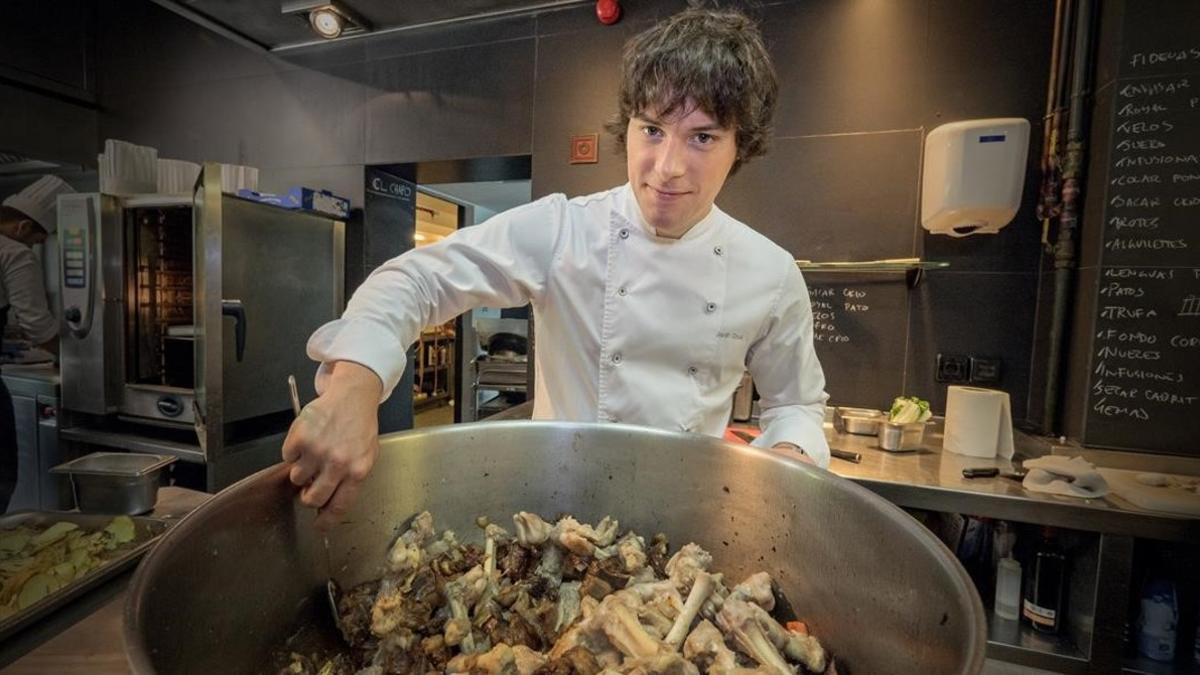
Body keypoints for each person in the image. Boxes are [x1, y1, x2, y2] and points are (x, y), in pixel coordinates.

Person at [283, 8, 830, 527]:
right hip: (557, 514)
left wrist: (788, 455)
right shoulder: (564, 230)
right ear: (629, 128)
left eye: (703, 137)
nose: (667, 168)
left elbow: (796, 404)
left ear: (742, 146)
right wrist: (354, 385)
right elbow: (417, 278)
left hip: (692, 519)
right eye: (652, 130)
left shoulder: (770, 272)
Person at [1, 175, 74, 511]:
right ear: (21, 227)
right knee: (2, 475)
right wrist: (74, 361)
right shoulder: (15, 253)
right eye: (36, 239)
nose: (35, 248)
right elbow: (38, 327)